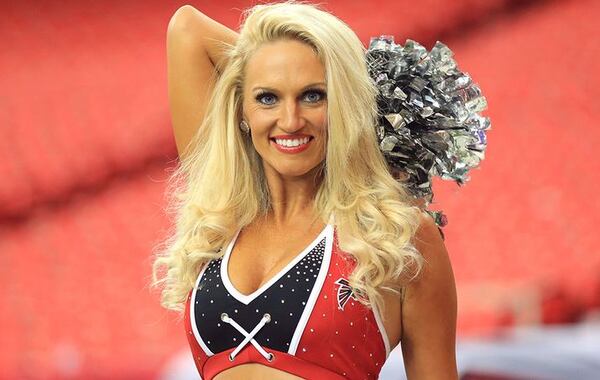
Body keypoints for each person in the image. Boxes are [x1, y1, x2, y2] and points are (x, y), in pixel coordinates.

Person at [152, 1, 458, 379]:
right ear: (242, 109)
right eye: (267, 98)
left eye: (314, 95)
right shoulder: (224, 213)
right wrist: (260, 58)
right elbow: (186, 28)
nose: (290, 120)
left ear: (345, 104)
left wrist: (337, 77)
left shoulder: (398, 236)